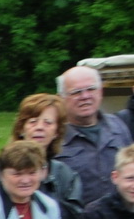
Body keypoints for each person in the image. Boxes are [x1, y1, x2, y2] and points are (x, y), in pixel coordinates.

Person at [56, 66, 133, 210]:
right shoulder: (55, 137)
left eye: (91, 89)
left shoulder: (119, 126)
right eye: (76, 92)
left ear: (101, 92)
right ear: (62, 98)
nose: (85, 96)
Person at [9, 92, 84, 218]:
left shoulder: (65, 174)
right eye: (33, 122)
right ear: (21, 129)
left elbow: (75, 217)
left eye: (48, 123)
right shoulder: (2, 169)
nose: (39, 127)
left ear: (56, 132)